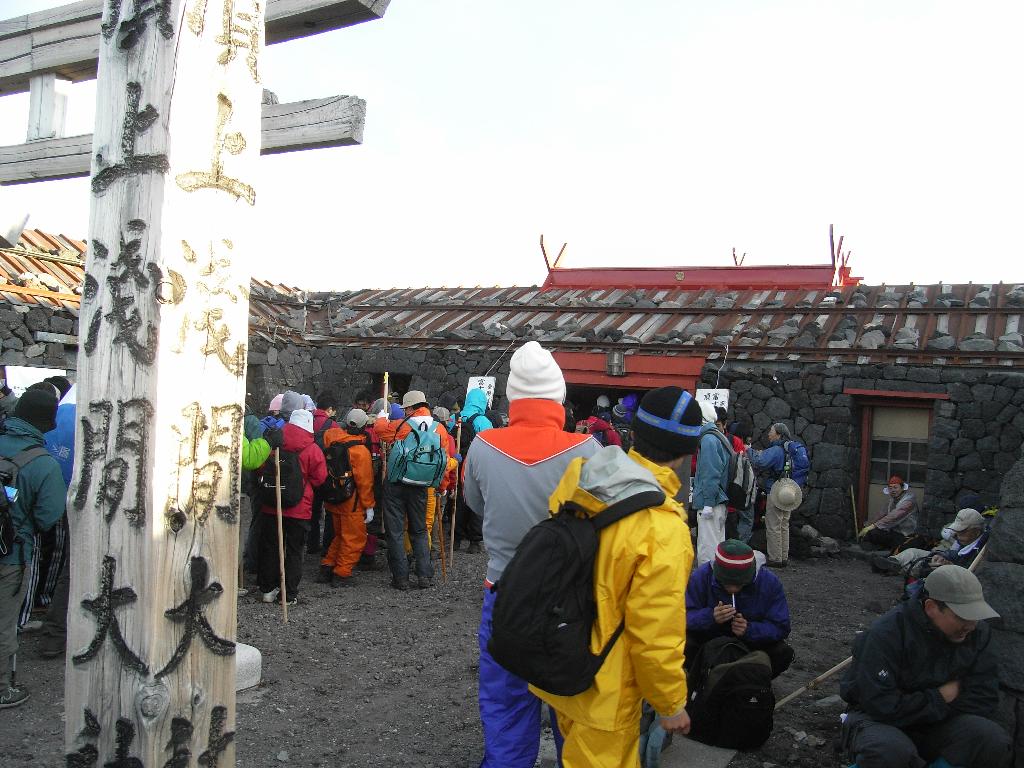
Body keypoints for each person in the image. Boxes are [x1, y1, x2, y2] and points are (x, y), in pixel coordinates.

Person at [532, 385, 705, 768]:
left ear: (634, 433)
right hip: (606, 686)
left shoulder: (582, 476)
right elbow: (655, 630)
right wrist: (670, 703)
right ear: (685, 454)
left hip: (562, 654)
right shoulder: (663, 529)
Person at [462, 341, 600, 767]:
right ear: (558, 398)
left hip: (504, 592)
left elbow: (475, 505)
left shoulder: (482, 445)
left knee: (505, 704)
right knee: (571, 707)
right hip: (569, 600)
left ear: (512, 398)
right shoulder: (587, 450)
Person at [840, 565, 1011, 768]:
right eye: (961, 616)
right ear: (931, 607)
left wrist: (921, 705)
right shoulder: (886, 634)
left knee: (991, 739)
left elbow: (984, 698)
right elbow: (880, 704)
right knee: (889, 751)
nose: (971, 625)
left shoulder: (977, 634)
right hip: (878, 722)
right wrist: (939, 697)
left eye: (975, 615)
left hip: (939, 722)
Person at [0, 389, 67, 708]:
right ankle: (2, 687)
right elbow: (48, 516)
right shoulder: (43, 463)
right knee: (4, 620)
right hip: (11, 553)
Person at [685, 540, 794, 679]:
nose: (733, 589)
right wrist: (710, 616)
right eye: (726, 583)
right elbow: (682, 616)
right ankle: (702, 680)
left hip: (750, 644)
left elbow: (781, 626)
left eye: (739, 584)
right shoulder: (702, 576)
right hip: (709, 640)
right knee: (683, 642)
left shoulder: (769, 582)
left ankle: (751, 682)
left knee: (783, 652)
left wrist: (749, 629)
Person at [373, 390, 448, 590]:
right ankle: (424, 576)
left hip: (397, 482)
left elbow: (381, 430)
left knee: (396, 531)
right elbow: (442, 460)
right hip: (422, 484)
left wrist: (381, 417)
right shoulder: (440, 429)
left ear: (411, 408)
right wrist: (441, 486)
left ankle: (401, 579)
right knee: (420, 530)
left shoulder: (403, 425)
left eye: (406, 408)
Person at [255, 408, 327, 605]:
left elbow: (260, 467)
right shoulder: (312, 449)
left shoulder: (273, 442)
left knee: (270, 546)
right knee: (295, 550)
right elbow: (320, 478)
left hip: (272, 503)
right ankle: (288, 594)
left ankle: (267, 589)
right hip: (299, 507)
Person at [317, 409, 376, 586]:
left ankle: (327, 567)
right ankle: (341, 574)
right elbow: (364, 482)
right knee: (354, 539)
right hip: (351, 502)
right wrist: (369, 505)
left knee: (340, 536)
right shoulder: (360, 451)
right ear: (363, 427)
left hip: (333, 498)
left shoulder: (331, 440)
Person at [747, 422, 800, 567]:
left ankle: (775, 558)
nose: (769, 434)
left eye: (771, 431)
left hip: (776, 490)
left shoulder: (776, 450)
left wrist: (748, 450)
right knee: (784, 524)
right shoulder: (789, 449)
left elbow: (760, 462)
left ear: (778, 434)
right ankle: (783, 557)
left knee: (773, 524)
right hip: (788, 491)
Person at [452, 388, 493, 554]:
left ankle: (455, 538)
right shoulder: (483, 421)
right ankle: (474, 542)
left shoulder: (455, 418)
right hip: (476, 464)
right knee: (477, 499)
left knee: (458, 499)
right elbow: (490, 445)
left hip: (456, 463)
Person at [692, 402, 731, 566]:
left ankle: (707, 580)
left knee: (707, 550)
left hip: (711, 503)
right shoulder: (718, 437)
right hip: (719, 500)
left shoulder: (708, 439)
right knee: (716, 548)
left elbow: (711, 474)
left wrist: (708, 503)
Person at [307, 391, 339, 555]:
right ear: (330, 409)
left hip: (308, 473)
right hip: (327, 473)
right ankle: (327, 546)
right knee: (330, 510)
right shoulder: (333, 426)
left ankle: (311, 543)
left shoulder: (307, 421)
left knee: (312, 510)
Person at [860, 476, 919, 553]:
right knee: (871, 532)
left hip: (905, 536)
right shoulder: (892, 500)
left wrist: (873, 526)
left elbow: (894, 516)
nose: (893, 490)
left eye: (895, 487)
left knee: (873, 533)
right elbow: (881, 514)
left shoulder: (909, 501)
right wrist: (868, 525)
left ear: (902, 488)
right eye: (890, 488)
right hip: (893, 532)